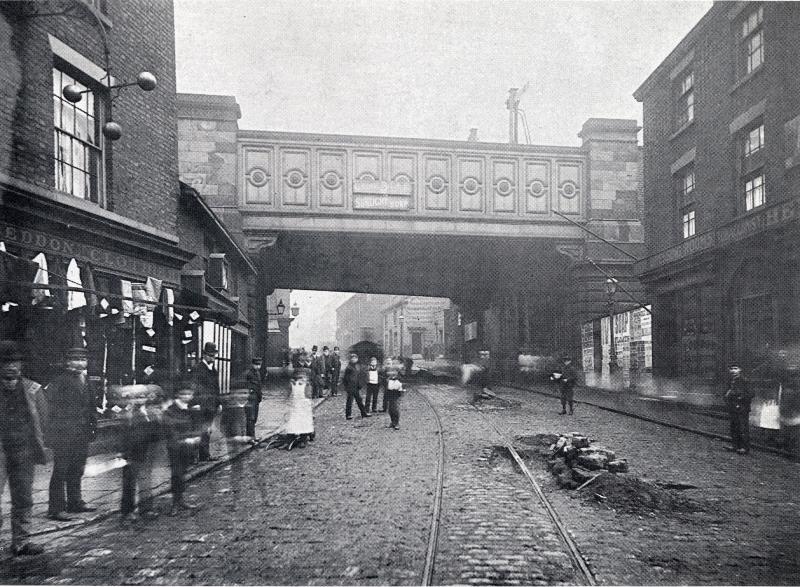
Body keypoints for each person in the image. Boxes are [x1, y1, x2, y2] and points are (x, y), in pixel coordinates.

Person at [0, 341, 48, 556]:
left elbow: (44, 419)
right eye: (6, 363)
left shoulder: (33, 389)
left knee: (23, 497)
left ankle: (21, 541)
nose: (12, 367)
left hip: (24, 451)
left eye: (16, 362)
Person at [46, 347, 98, 521]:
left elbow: (91, 405)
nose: (80, 363)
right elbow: (51, 409)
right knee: (61, 470)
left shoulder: (86, 379)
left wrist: (92, 426)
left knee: (78, 468)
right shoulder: (59, 381)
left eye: (83, 359)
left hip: (82, 432)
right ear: (67, 362)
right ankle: (56, 508)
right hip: (64, 433)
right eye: (76, 359)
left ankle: (75, 502)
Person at [119, 383, 164, 524]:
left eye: (142, 397)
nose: (139, 400)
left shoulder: (149, 413)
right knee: (129, 483)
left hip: (146, 451)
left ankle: (146, 509)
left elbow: (156, 433)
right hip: (131, 453)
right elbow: (122, 435)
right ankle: (127, 511)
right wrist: (122, 452)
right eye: (136, 397)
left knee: (145, 480)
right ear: (130, 399)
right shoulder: (128, 414)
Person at [162, 379, 200, 516]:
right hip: (175, 447)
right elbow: (170, 430)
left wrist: (196, 436)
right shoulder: (171, 410)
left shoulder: (190, 409)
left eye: (189, 394)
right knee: (176, 474)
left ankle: (181, 499)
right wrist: (185, 439)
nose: (186, 397)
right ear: (177, 395)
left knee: (183, 473)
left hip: (187, 447)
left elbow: (195, 426)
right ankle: (175, 503)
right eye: (183, 394)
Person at [192, 342, 222, 461]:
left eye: (214, 356)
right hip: (201, 406)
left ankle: (204, 455)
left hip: (211, 406)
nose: (212, 358)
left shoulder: (213, 370)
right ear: (204, 355)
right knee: (199, 430)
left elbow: (216, 388)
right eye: (210, 355)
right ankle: (194, 457)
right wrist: (196, 403)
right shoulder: (198, 369)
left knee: (207, 430)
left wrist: (218, 403)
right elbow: (194, 388)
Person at [282, 368, 315, 450]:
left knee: (303, 423)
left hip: (303, 407)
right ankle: (290, 438)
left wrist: (308, 404)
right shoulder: (292, 384)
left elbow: (308, 396)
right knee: (292, 422)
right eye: (300, 377)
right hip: (294, 405)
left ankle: (303, 440)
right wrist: (287, 402)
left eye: (303, 377)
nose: (302, 379)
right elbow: (287, 395)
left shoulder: (307, 385)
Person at [725, 364, 753, 454]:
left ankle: (744, 448)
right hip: (733, 407)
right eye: (731, 369)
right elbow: (727, 392)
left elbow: (751, 393)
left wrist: (740, 399)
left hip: (742, 407)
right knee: (734, 427)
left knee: (742, 428)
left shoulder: (744, 380)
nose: (733, 371)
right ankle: (735, 446)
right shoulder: (731, 381)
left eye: (735, 368)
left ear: (740, 369)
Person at [342, 353, 370, 420]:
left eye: (355, 358)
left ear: (357, 359)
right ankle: (348, 415)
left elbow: (360, 376)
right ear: (350, 359)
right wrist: (346, 387)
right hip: (350, 386)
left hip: (356, 386)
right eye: (352, 358)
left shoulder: (358, 366)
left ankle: (364, 413)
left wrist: (360, 384)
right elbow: (345, 378)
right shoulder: (348, 367)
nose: (354, 359)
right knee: (349, 401)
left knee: (359, 400)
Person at [245, 357, 263, 442]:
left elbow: (259, 386)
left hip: (256, 398)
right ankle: (250, 438)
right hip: (251, 398)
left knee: (254, 418)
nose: (258, 366)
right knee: (250, 418)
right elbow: (250, 386)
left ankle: (253, 437)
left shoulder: (257, 373)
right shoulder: (249, 374)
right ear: (253, 364)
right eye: (256, 364)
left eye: (259, 365)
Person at [385, 360, 404, 430]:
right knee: (390, 409)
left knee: (395, 408)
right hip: (390, 394)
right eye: (391, 372)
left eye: (394, 372)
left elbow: (401, 387)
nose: (393, 373)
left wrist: (400, 392)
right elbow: (386, 387)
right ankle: (392, 421)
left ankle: (397, 422)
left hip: (396, 394)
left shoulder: (399, 379)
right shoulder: (388, 379)